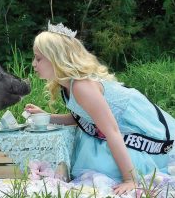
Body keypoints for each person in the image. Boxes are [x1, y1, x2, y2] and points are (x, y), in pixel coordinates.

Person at [25, 21, 175, 195]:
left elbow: (112, 131)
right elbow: (82, 116)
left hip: (132, 124)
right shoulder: (65, 85)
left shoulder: (81, 86)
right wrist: (48, 117)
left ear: (57, 59)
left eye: (38, 58)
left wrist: (130, 179)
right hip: (110, 126)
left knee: (105, 168)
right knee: (95, 161)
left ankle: (132, 173)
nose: (34, 64)